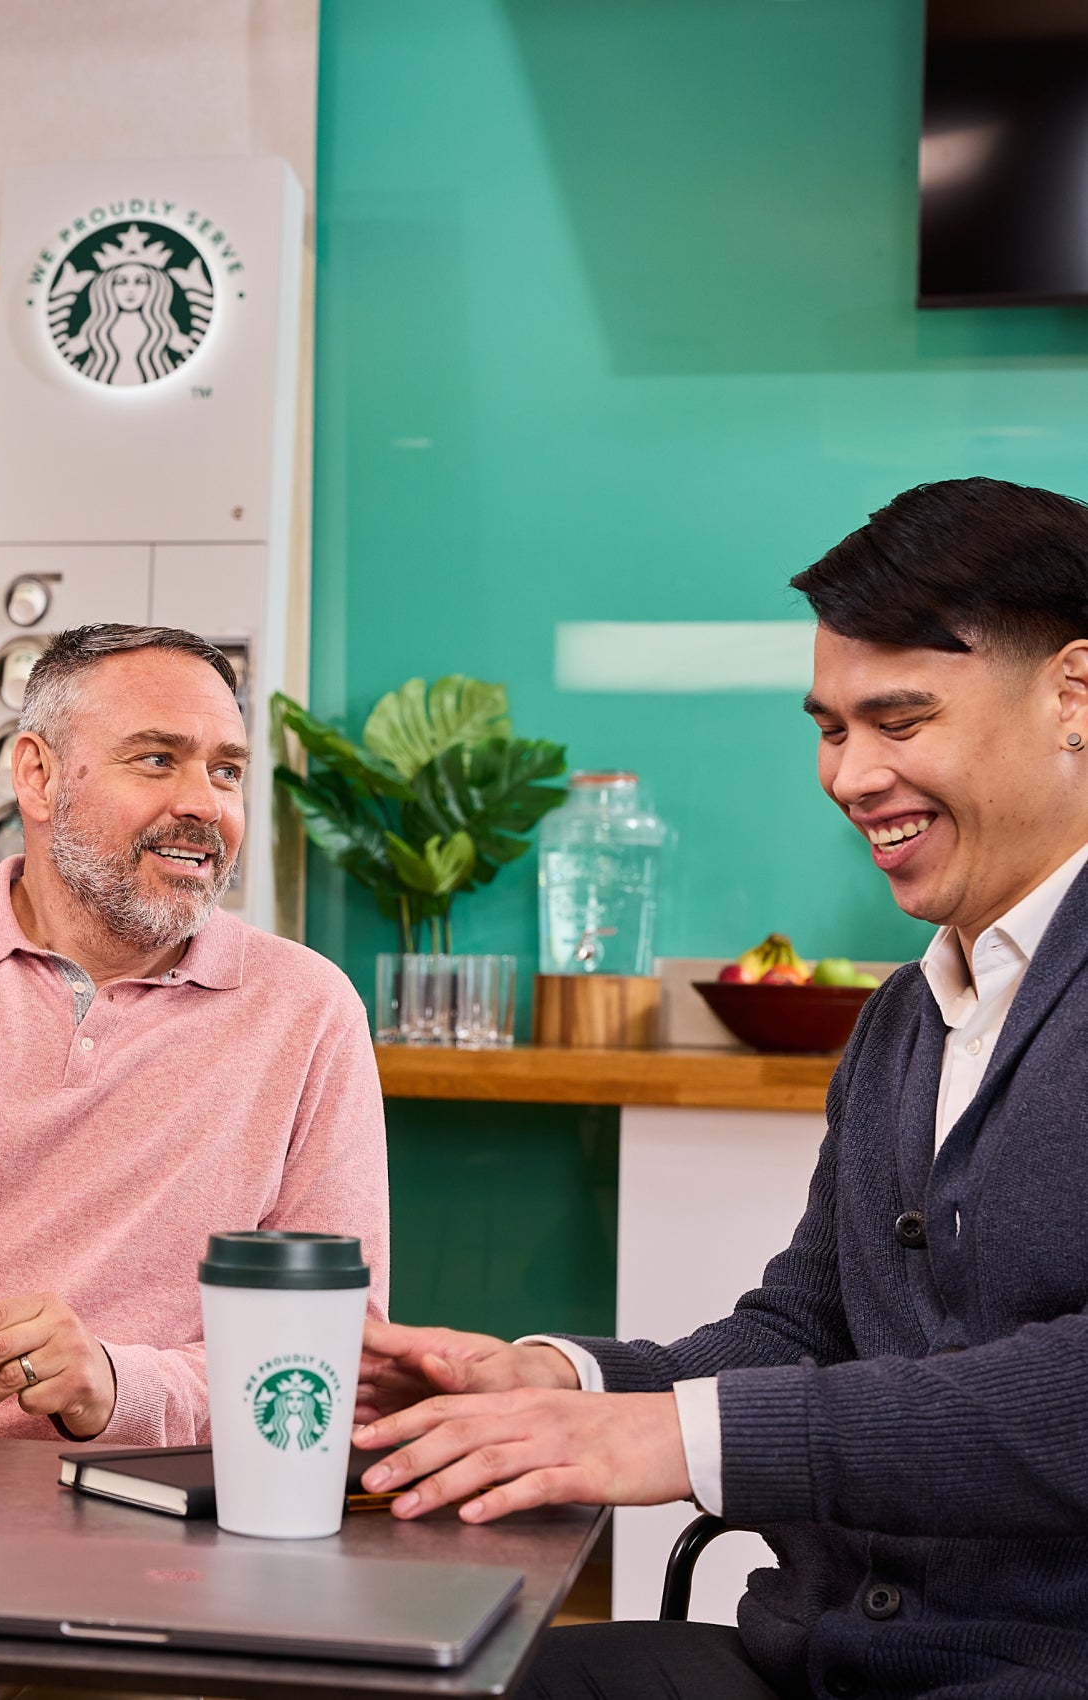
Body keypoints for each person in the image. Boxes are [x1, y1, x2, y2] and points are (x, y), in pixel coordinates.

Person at [354, 478, 1088, 1697]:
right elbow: (806, 1328)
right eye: (831, 725)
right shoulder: (909, 1017)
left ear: (1075, 693)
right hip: (825, 1653)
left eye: (899, 720)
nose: (849, 775)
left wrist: (685, 1438)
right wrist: (559, 1377)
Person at [0, 623, 388, 1458]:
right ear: (37, 775)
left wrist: (119, 1384)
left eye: (226, 770)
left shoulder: (307, 1010)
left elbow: (333, 1354)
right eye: (156, 760)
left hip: (149, 1514)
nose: (203, 804)